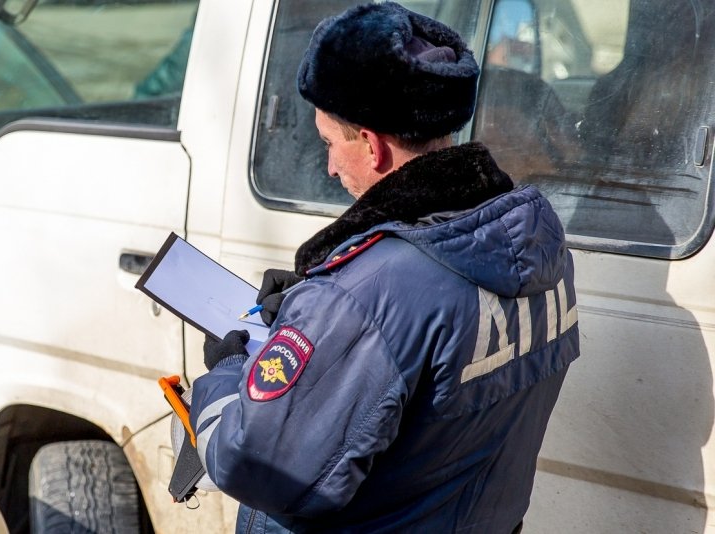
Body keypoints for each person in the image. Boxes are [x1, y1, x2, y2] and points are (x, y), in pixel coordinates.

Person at [190, 3, 580, 532]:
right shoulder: (536, 247)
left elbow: (255, 466)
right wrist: (318, 312)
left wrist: (227, 371)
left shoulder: (363, 298)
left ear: (372, 146)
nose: (329, 166)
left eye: (329, 143)